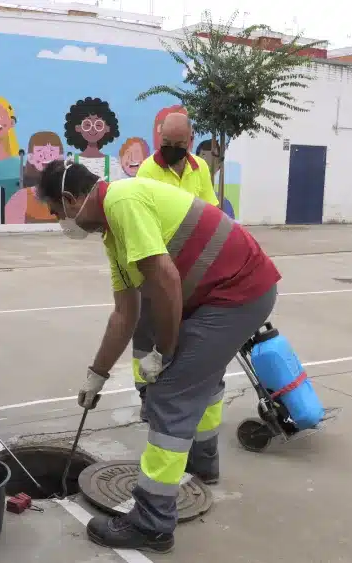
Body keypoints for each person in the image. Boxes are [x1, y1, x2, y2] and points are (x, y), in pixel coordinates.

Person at [35, 160, 281, 553]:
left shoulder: (122, 201)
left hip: (236, 294)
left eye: (55, 212)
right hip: (219, 292)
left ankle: (151, 524)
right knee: (187, 366)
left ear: (70, 198)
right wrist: (97, 374)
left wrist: (164, 353)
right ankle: (200, 464)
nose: (59, 222)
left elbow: (166, 280)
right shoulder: (112, 234)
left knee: (171, 394)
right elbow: (126, 313)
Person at [133, 112, 220, 424]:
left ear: (190, 141)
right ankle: (146, 394)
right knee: (148, 332)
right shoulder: (148, 169)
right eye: (166, 143)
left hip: (191, 264)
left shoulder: (200, 169)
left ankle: (179, 393)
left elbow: (210, 211)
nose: (171, 149)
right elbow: (145, 220)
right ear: (160, 139)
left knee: (185, 333)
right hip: (157, 261)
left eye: (178, 144)